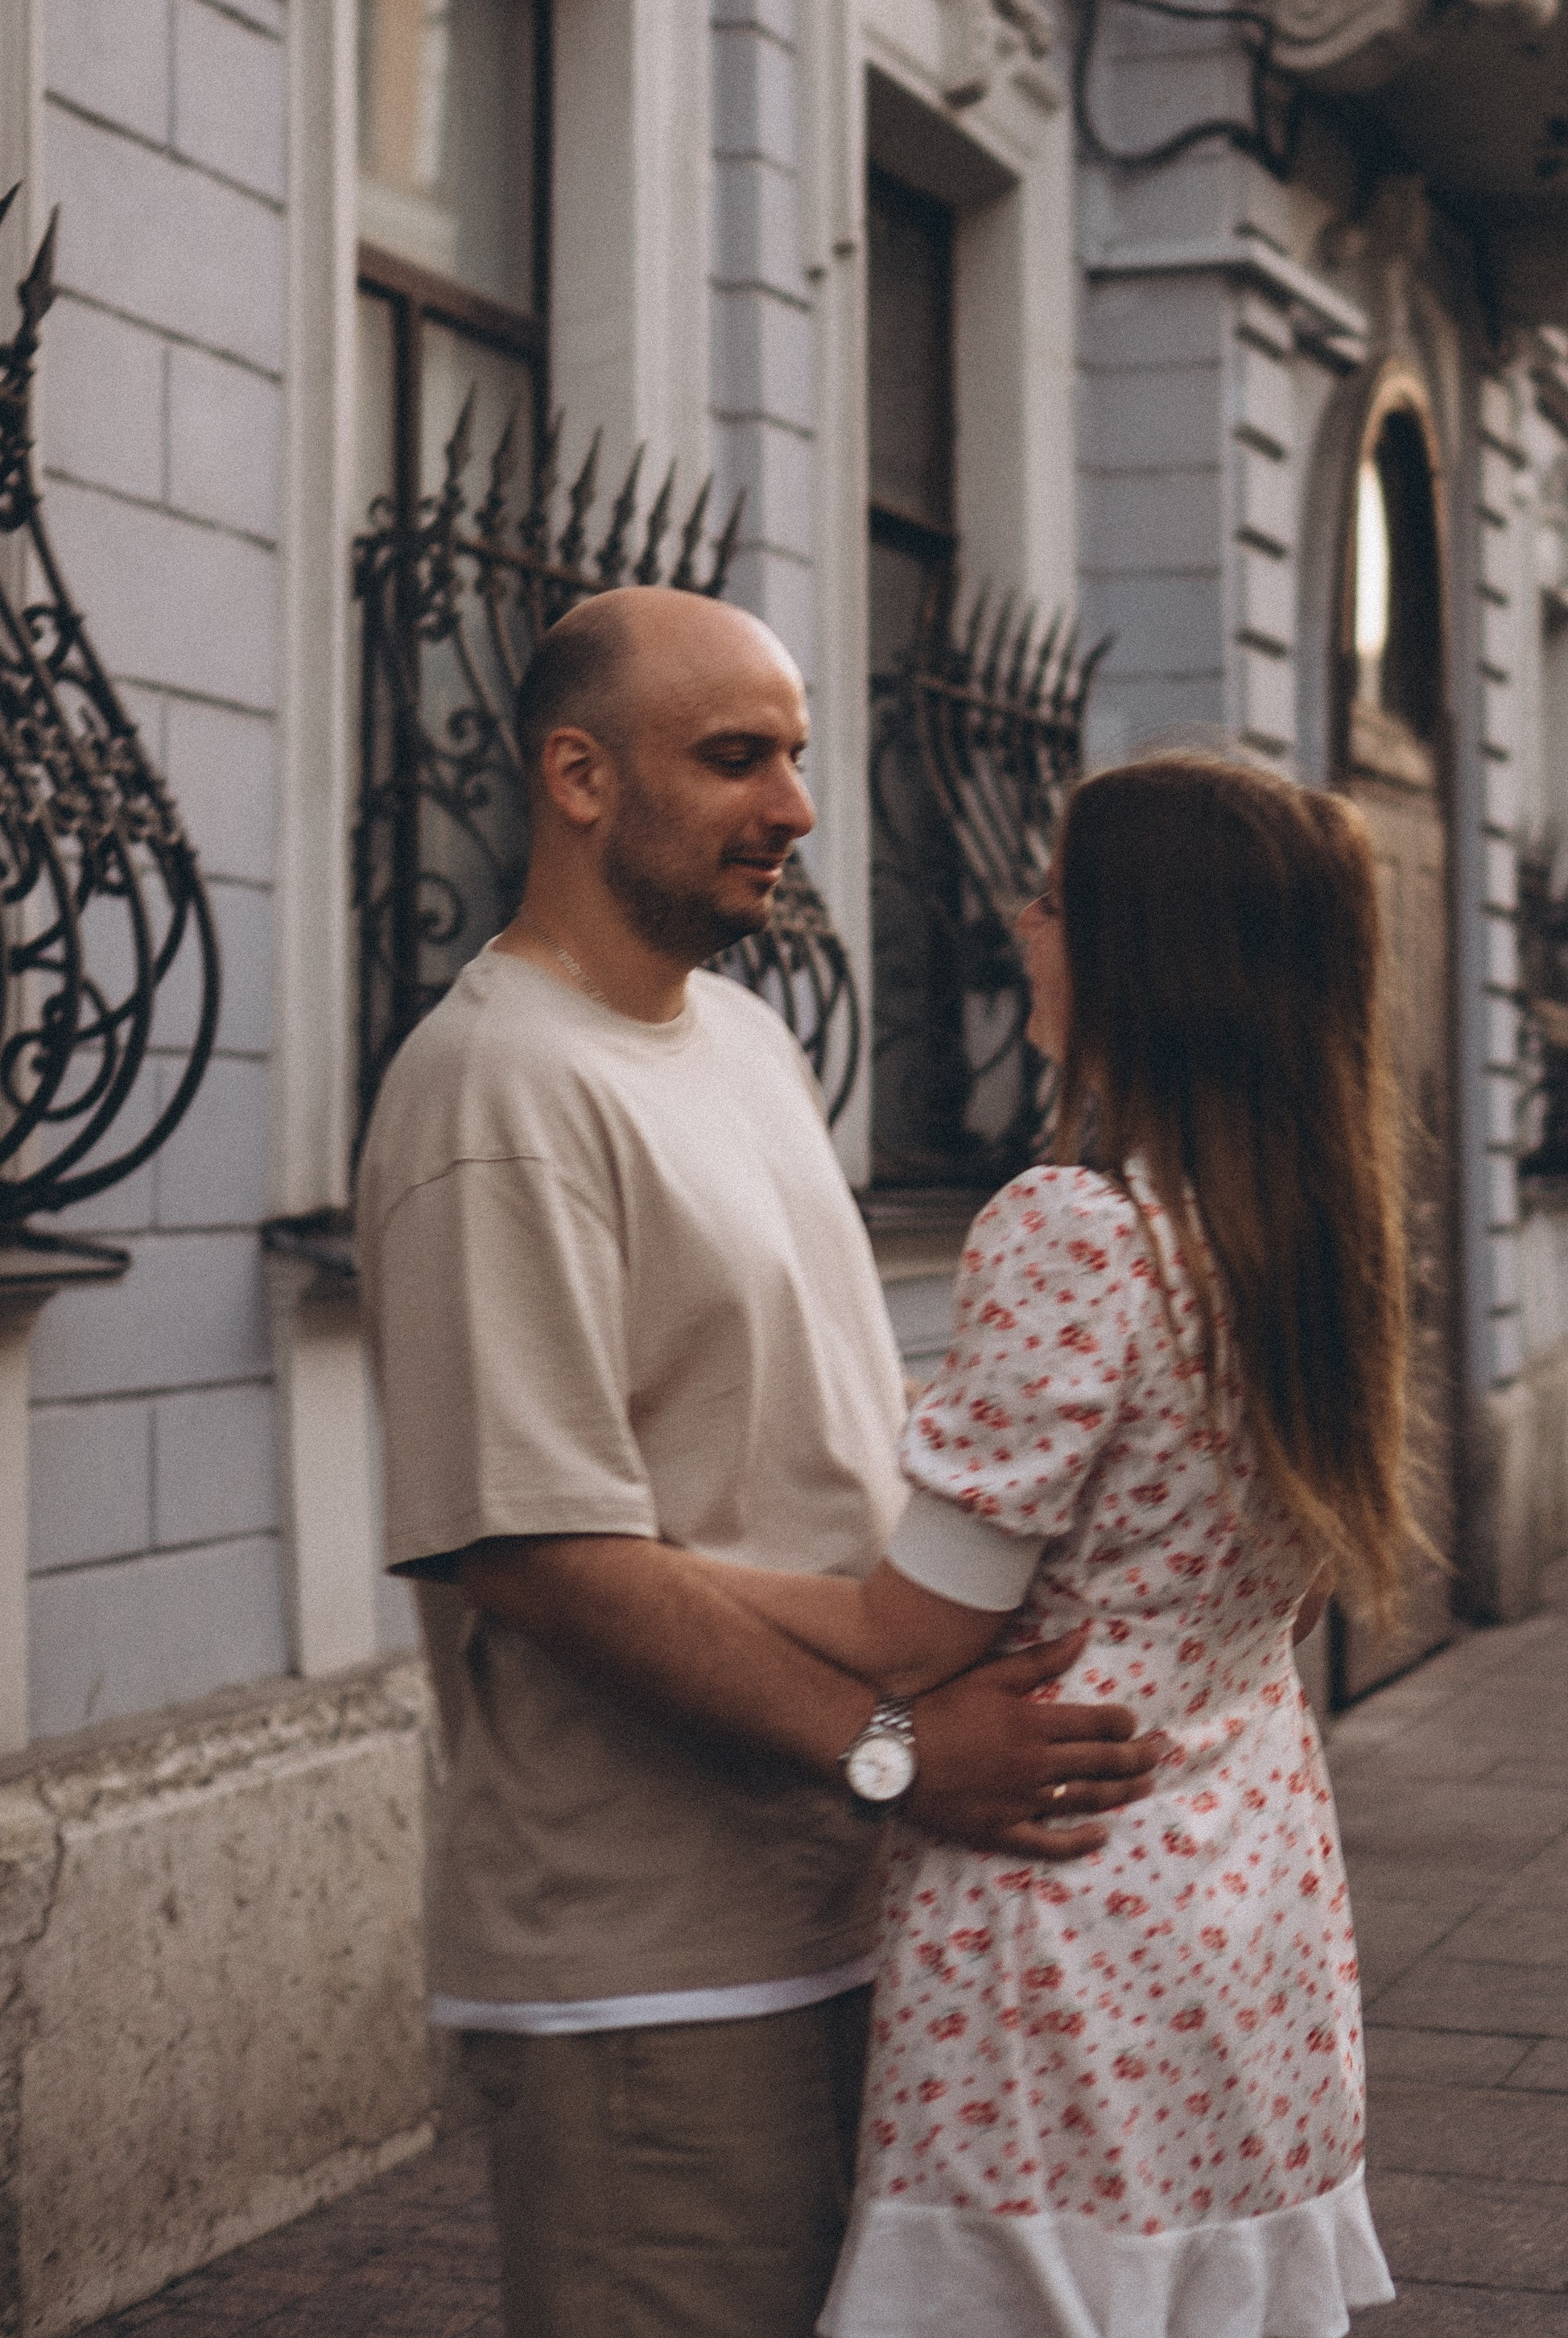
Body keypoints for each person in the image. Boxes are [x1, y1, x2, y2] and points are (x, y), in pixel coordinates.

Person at [356, 587, 1160, 2338]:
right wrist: (897, 1758)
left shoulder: (746, 1042)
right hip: (653, 1972)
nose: (793, 808)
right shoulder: (493, 1091)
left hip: (851, 1911)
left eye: (794, 757)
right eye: (735, 759)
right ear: (576, 776)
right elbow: (540, 1556)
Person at [687, 751, 1414, 2337]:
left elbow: (905, 1642)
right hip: (1257, 1911)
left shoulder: (1077, 1229)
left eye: (1052, 898)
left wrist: (646, 1567)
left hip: (1063, 1916)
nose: (1020, 925)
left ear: (1144, 954)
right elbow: (1261, 1615)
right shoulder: (1307, 1242)